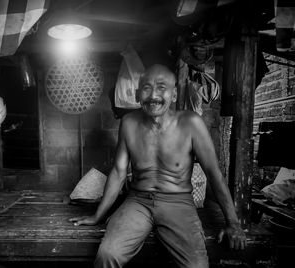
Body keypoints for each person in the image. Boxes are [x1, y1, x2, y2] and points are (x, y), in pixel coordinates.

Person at [69, 64, 246, 268]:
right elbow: (118, 172)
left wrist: (232, 222)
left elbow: (214, 174)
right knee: (108, 255)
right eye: (146, 88)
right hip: (138, 201)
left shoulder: (191, 123)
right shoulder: (129, 123)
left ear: (174, 94)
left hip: (178, 202)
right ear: (137, 94)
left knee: (196, 265)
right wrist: (98, 215)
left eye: (162, 87)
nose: (153, 95)